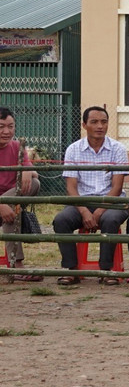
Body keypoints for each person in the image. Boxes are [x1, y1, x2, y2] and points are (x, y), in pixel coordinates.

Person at [54, 105, 129, 285]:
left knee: (110, 220)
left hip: (112, 202)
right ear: (84, 125)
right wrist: (84, 211)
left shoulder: (118, 148)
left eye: (104, 122)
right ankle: (72, 270)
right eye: (94, 122)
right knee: (61, 220)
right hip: (82, 201)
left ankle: (106, 270)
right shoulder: (73, 149)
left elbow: (117, 187)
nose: (100, 126)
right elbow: (71, 188)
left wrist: (100, 210)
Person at [0, 107, 41, 280]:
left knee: (34, 183)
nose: (6, 131)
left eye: (11, 126)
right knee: (11, 210)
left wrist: (27, 170)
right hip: (5, 204)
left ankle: (16, 266)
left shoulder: (18, 146)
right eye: (1, 126)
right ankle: (17, 266)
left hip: (10, 201)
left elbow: (34, 175)